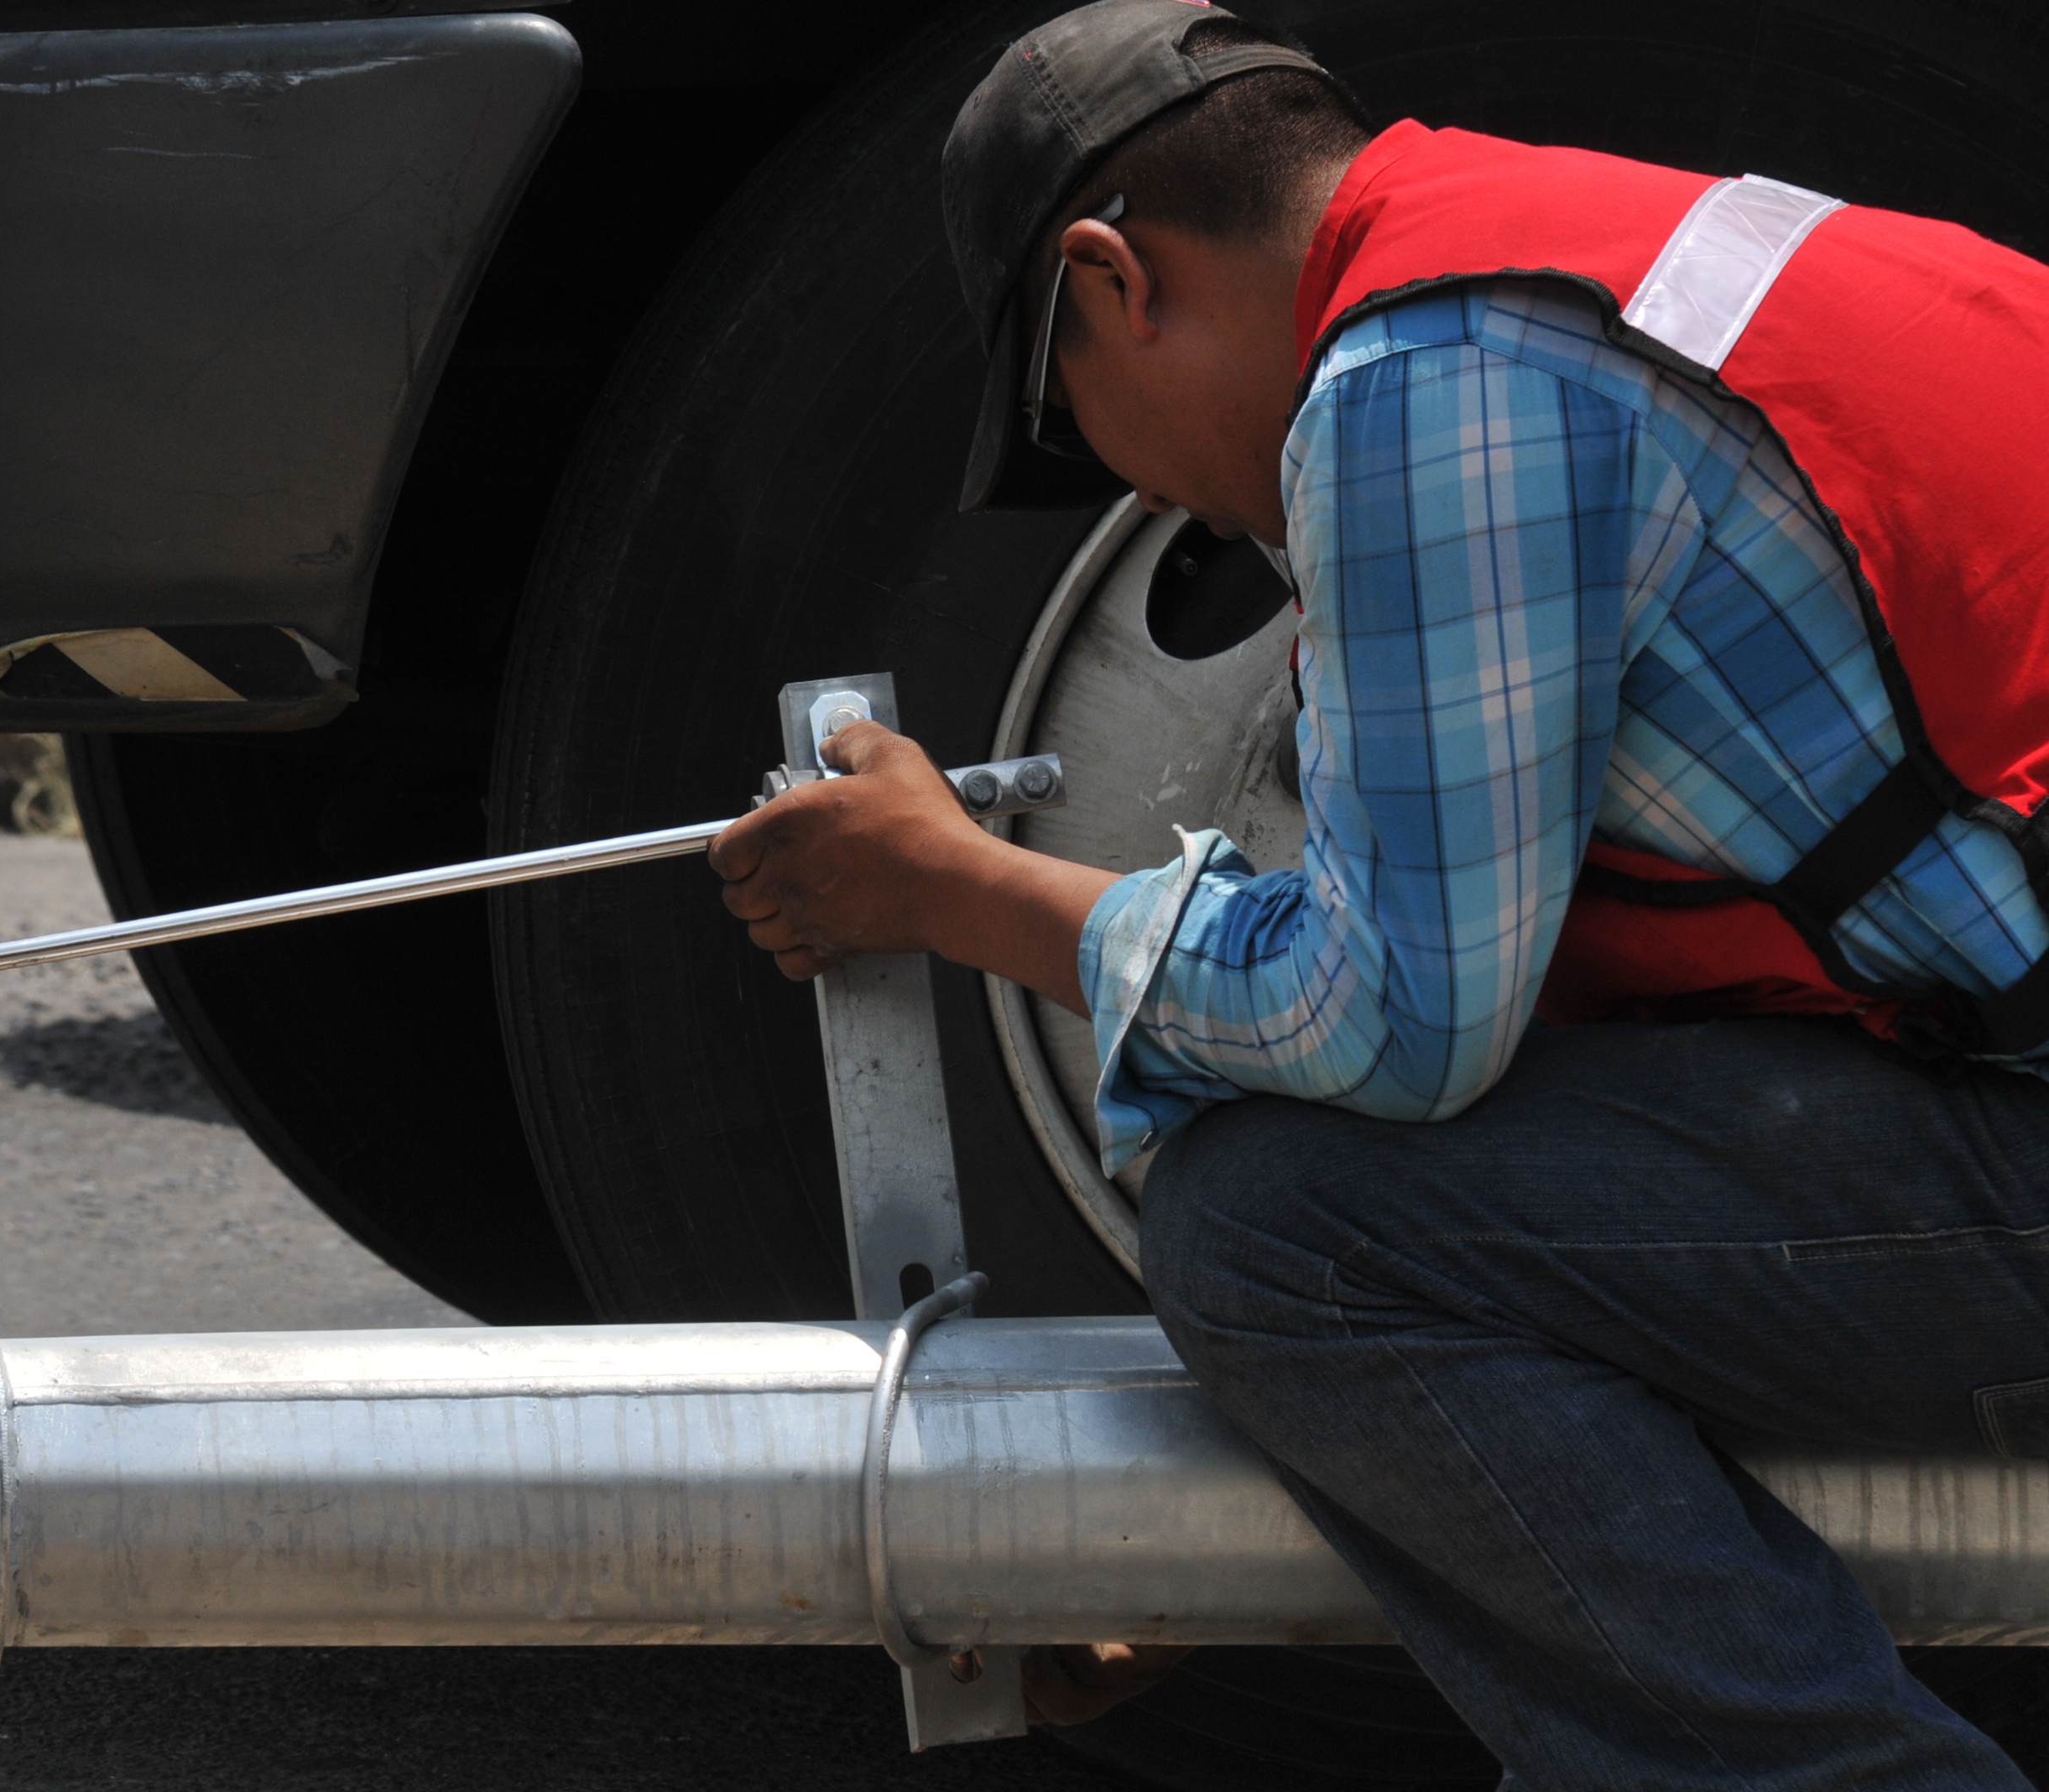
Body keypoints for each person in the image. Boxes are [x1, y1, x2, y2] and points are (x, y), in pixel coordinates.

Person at [706, 1, 2049, 1784]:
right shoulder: (1609, 256)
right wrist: (1258, 1526)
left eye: (1069, 426)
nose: (1120, 476)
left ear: (1111, 286)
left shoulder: (1431, 380)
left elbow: (1395, 1024)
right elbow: (1572, 1088)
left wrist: (957, 891)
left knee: (1286, 1227)